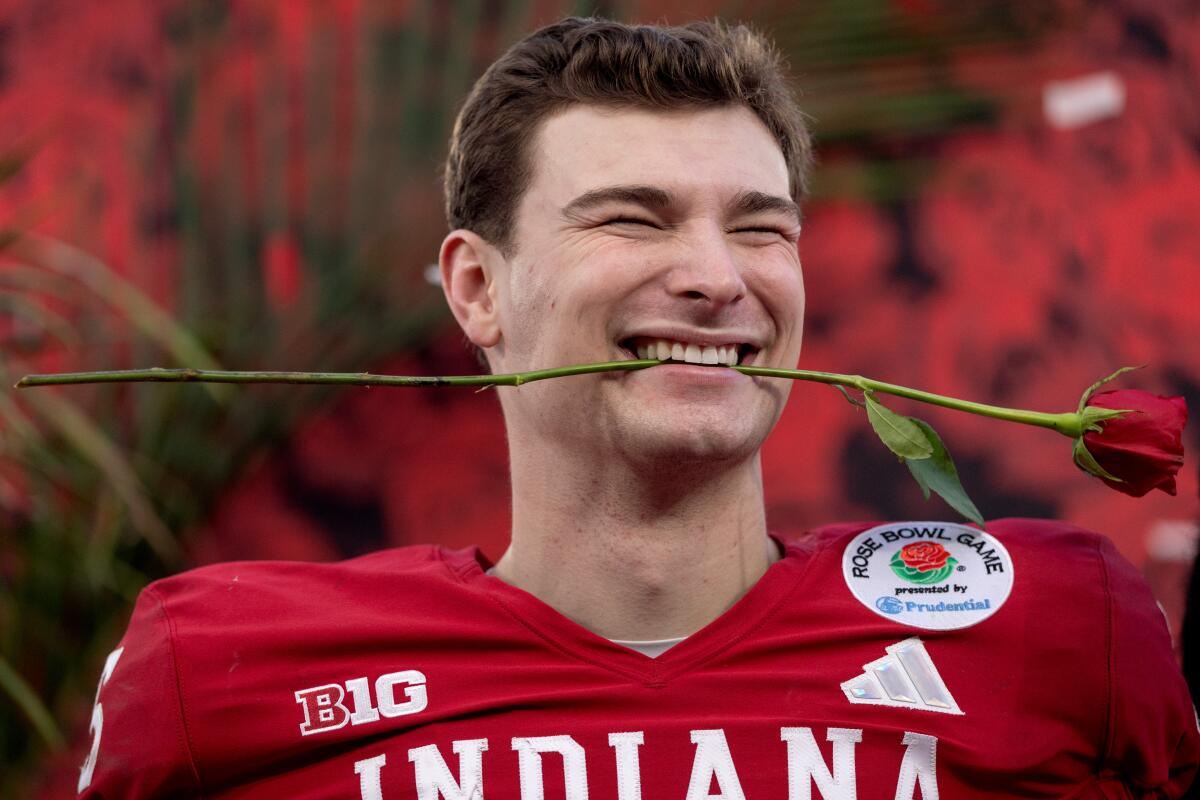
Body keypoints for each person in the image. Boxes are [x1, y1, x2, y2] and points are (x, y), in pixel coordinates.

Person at [78, 17, 1198, 798]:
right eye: (633, 218)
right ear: (477, 288)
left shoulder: (1057, 633)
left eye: (761, 226)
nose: (718, 276)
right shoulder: (215, 674)